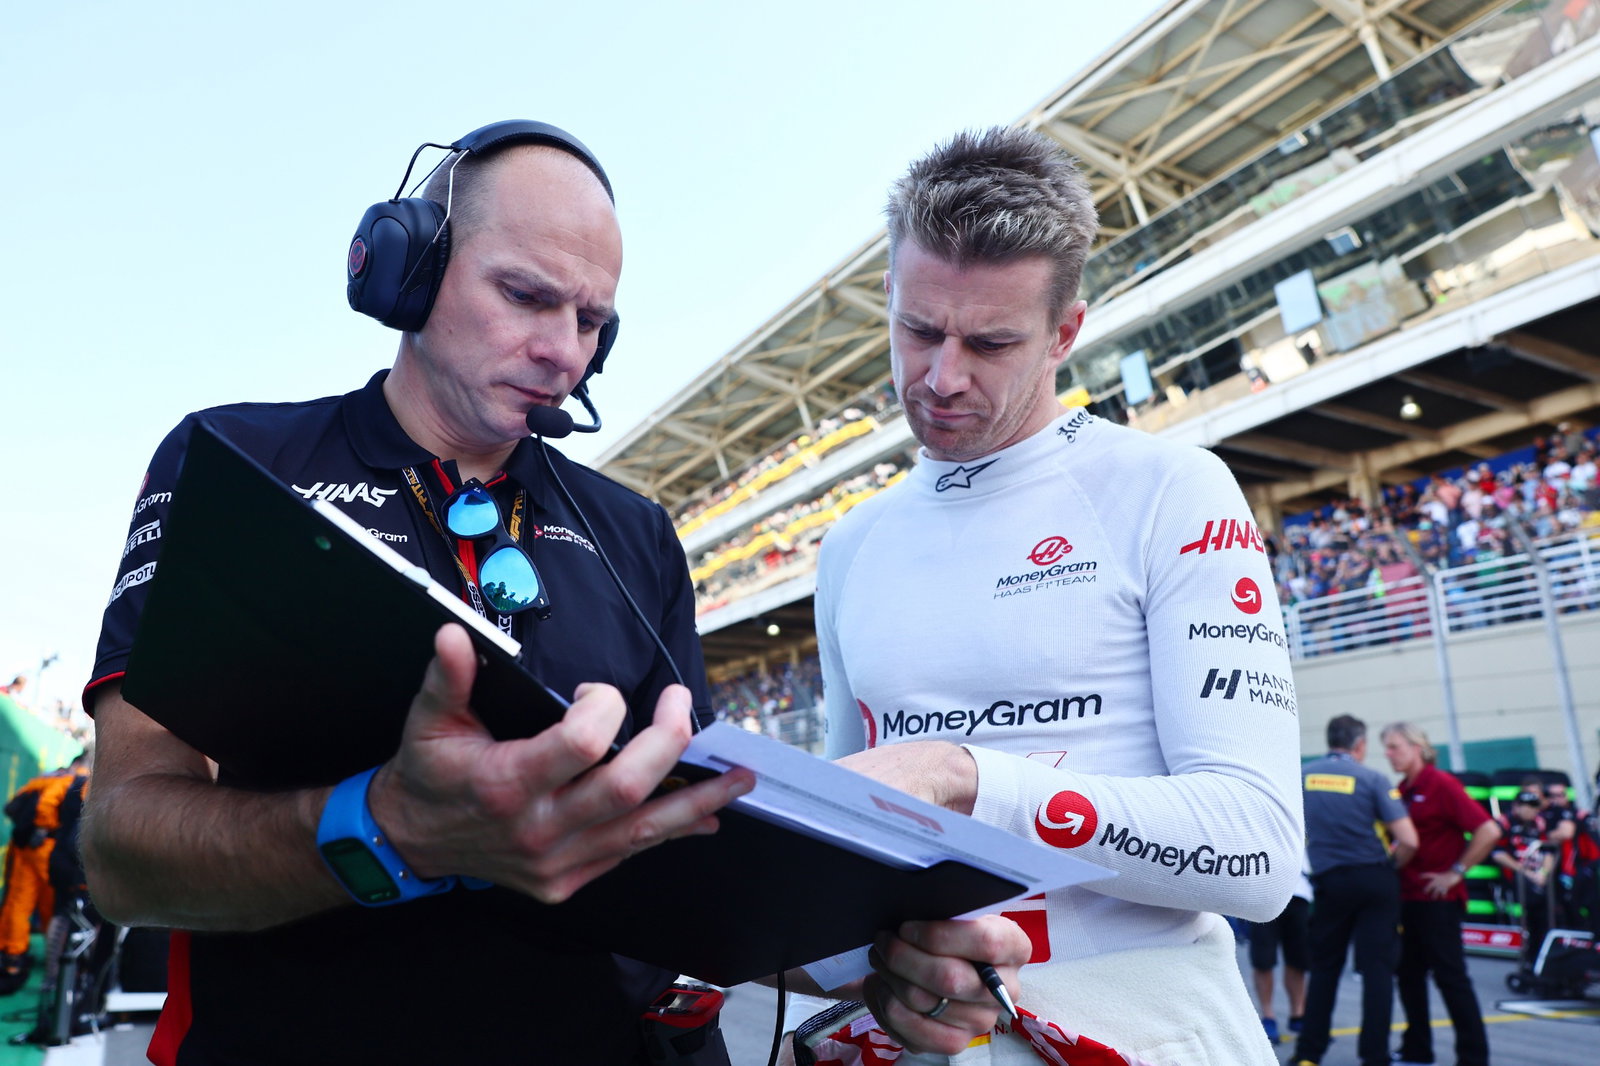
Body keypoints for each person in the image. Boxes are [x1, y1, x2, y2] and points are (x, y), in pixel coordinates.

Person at [79, 121, 1023, 1066]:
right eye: (525, 296)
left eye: (591, 323)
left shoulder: (638, 534)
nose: (562, 352)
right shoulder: (241, 464)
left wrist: (882, 957)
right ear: (408, 269)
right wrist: (391, 828)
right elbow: (121, 851)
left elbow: (697, 865)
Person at [812, 126, 1302, 1064]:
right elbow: (846, 858)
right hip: (926, 1042)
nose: (942, 377)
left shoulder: (1170, 488)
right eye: (918, 331)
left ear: (1065, 334)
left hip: (1151, 1033)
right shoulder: (852, 546)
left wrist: (969, 779)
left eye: (991, 342)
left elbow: (1261, 852)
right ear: (890, 298)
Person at [1290, 715, 1417, 1066]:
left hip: (1330, 881)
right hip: (1375, 880)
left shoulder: (1303, 776)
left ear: (1330, 740)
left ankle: (1308, 1054)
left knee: (1325, 968)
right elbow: (1408, 840)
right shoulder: (1372, 778)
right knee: (1377, 970)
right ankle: (1374, 1057)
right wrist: (1392, 866)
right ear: (1360, 745)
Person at [1381, 722, 1500, 1066]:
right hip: (1408, 899)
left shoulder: (1442, 784)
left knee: (1451, 979)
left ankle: (1473, 1057)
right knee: (1409, 977)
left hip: (1438, 903)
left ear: (1418, 747)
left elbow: (1488, 830)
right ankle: (1418, 1049)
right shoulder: (1402, 789)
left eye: (1394, 747)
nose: (1389, 754)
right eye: (1386, 748)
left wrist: (1455, 873)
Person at [0, 754, 90, 994]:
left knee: (18, 902)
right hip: (47, 847)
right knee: (53, 904)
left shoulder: (42, 779)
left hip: (23, 848)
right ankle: (54, 965)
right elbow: (47, 804)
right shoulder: (73, 780)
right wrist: (43, 827)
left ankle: (12, 956)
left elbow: (13, 805)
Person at [1245, 869, 1310, 1045]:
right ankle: (1268, 1016)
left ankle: (1298, 1014)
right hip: (1264, 891)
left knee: (1299, 961)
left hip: (1300, 892)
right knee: (1263, 960)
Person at [1493, 790, 1555, 960]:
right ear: (1517, 806)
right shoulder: (1504, 822)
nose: (1530, 811)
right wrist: (1525, 871)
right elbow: (1497, 854)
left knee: (1553, 903)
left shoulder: (1540, 823)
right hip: (1516, 876)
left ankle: (1548, 952)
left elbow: (1548, 852)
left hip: (1539, 876)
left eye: (1534, 808)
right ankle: (1531, 953)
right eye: (1526, 807)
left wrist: (1543, 873)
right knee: (1534, 903)